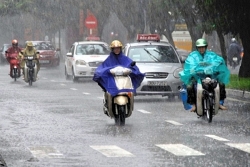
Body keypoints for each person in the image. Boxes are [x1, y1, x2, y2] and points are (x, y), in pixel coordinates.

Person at [179, 38, 230, 112]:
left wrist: (216, 65)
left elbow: (218, 60)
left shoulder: (211, 55)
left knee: (221, 83)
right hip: (197, 77)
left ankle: (220, 103)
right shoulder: (193, 56)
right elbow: (190, 63)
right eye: (199, 47)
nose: (201, 49)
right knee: (189, 86)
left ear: (205, 47)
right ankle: (194, 105)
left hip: (210, 75)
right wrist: (193, 70)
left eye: (203, 47)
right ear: (197, 48)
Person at [93, 40, 144, 111]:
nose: (117, 50)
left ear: (120, 49)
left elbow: (130, 65)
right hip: (112, 78)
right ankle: (107, 101)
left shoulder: (125, 58)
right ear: (112, 49)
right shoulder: (109, 59)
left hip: (124, 78)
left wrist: (132, 68)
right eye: (115, 48)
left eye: (118, 48)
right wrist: (102, 71)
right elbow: (103, 67)